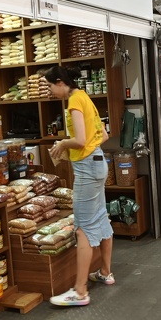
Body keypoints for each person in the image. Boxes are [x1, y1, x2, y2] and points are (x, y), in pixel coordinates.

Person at [44, 65, 113, 306]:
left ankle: (80, 291)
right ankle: (105, 272)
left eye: (50, 86)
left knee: (82, 228)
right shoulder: (86, 97)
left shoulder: (74, 101)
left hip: (87, 168)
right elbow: (103, 135)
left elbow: (81, 140)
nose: (50, 91)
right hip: (98, 161)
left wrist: (63, 143)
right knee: (101, 216)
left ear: (60, 82)